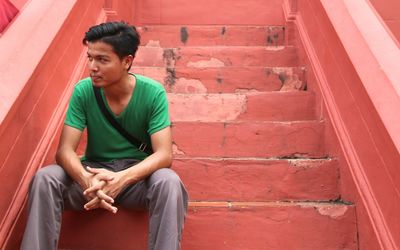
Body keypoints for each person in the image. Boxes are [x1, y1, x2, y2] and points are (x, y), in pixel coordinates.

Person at [21, 21, 188, 250]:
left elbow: (163, 155)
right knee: (45, 178)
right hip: (93, 176)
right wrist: (86, 179)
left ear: (126, 61)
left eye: (102, 60)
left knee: (169, 182)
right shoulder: (83, 91)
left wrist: (122, 179)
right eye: (90, 58)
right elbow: (64, 151)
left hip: (135, 181)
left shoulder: (152, 93)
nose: (92, 67)